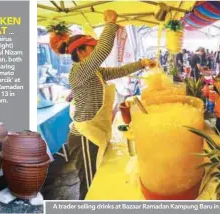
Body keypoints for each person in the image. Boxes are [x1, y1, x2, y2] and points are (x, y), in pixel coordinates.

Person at [53, 10, 156, 200]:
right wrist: (110, 23)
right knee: (91, 185)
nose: (95, 51)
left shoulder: (95, 72)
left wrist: (141, 63)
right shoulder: (79, 71)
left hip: (95, 131)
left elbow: (120, 70)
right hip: (85, 136)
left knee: (97, 179)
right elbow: (103, 51)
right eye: (92, 48)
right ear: (81, 51)